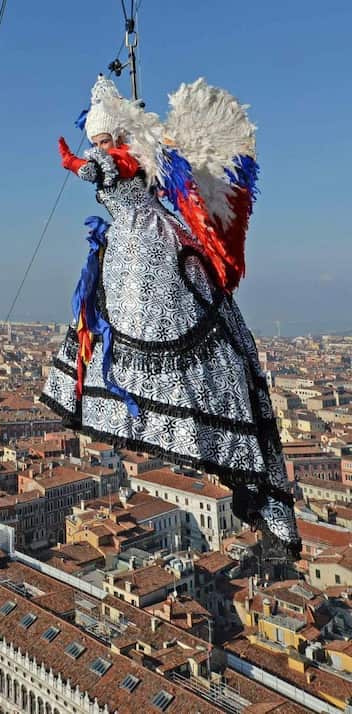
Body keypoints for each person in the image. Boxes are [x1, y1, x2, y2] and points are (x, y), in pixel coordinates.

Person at [41, 75, 301, 561]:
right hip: (147, 243)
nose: (95, 144)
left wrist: (74, 161)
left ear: (114, 136)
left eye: (100, 137)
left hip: (143, 250)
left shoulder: (117, 158)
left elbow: (99, 170)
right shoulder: (136, 155)